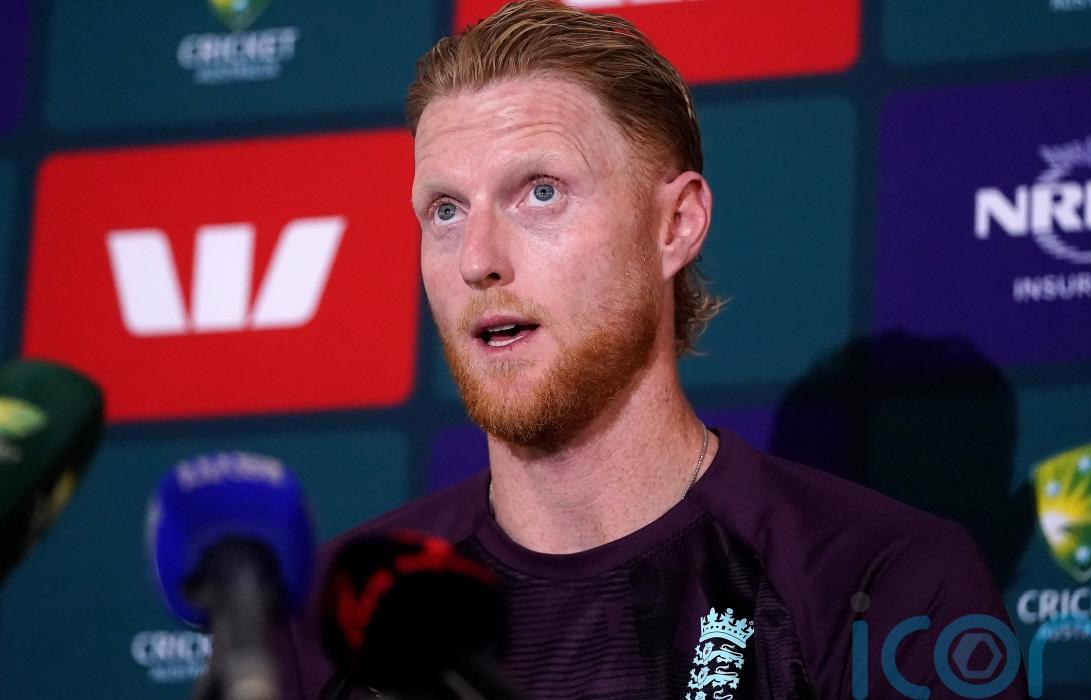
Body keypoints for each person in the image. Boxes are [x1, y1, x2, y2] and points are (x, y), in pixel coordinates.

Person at [281, 2, 1027, 697]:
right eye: (445, 210)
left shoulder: (879, 584)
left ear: (676, 225)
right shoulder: (332, 617)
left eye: (540, 192)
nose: (478, 258)